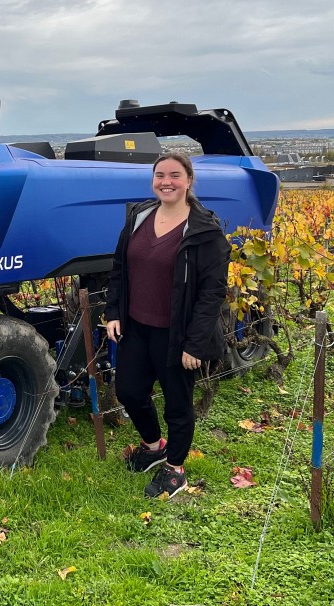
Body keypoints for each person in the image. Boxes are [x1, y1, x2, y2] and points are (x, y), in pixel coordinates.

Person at [104, 153, 230, 498]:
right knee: (129, 390)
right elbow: (119, 268)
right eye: (160, 175)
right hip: (135, 326)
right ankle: (153, 445)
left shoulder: (205, 229)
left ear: (189, 180)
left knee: (177, 402)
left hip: (177, 334)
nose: (166, 182)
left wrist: (195, 343)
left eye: (175, 175)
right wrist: (113, 311)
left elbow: (212, 292)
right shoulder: (139, 216)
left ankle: (175, 469)